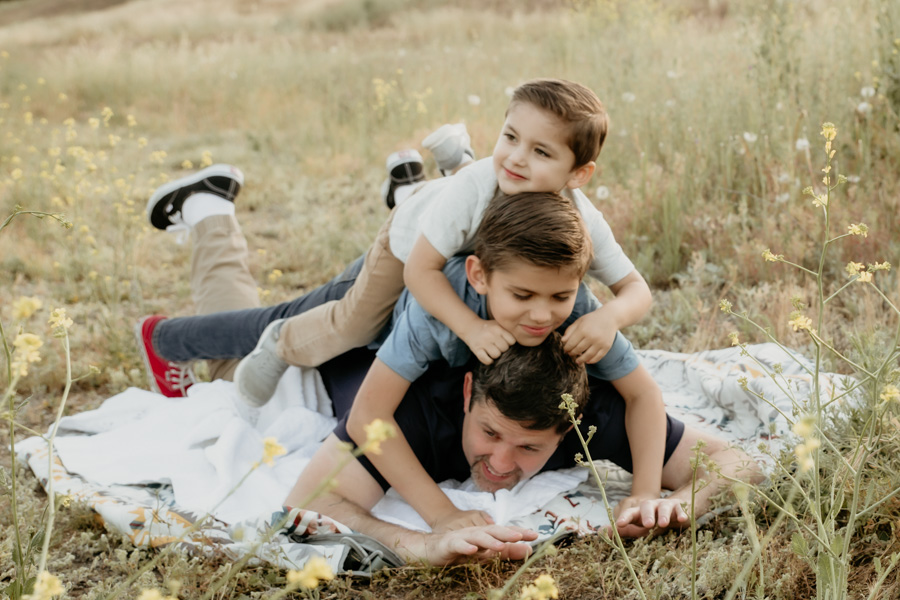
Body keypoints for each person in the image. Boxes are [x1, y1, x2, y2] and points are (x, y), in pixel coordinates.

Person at [134, 173, 762, 564]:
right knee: (260, 331)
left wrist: (671, 502)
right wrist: (426, 538)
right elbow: (312, 502)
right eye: (490, 434)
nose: (501, 465)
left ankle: (419, 188)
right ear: (466, 389)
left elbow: (736, 462)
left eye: (529, 448)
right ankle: (204, 222)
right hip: (372, 318)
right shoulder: (408, 409)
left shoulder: (585, 403)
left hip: (464, 272)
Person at [231, 78, 652, 412]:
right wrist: (471, 328)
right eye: (510, 137)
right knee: (357, 325)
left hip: (477, 238)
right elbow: (420, 272)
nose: (517, 157)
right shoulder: (475, 190)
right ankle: (281, 340)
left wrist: (608, 318)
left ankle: (456, 158)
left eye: (540, 151)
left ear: (578, 174)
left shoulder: (579, 218)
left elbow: (637, 290)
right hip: (416, 235)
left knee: (489, 207)